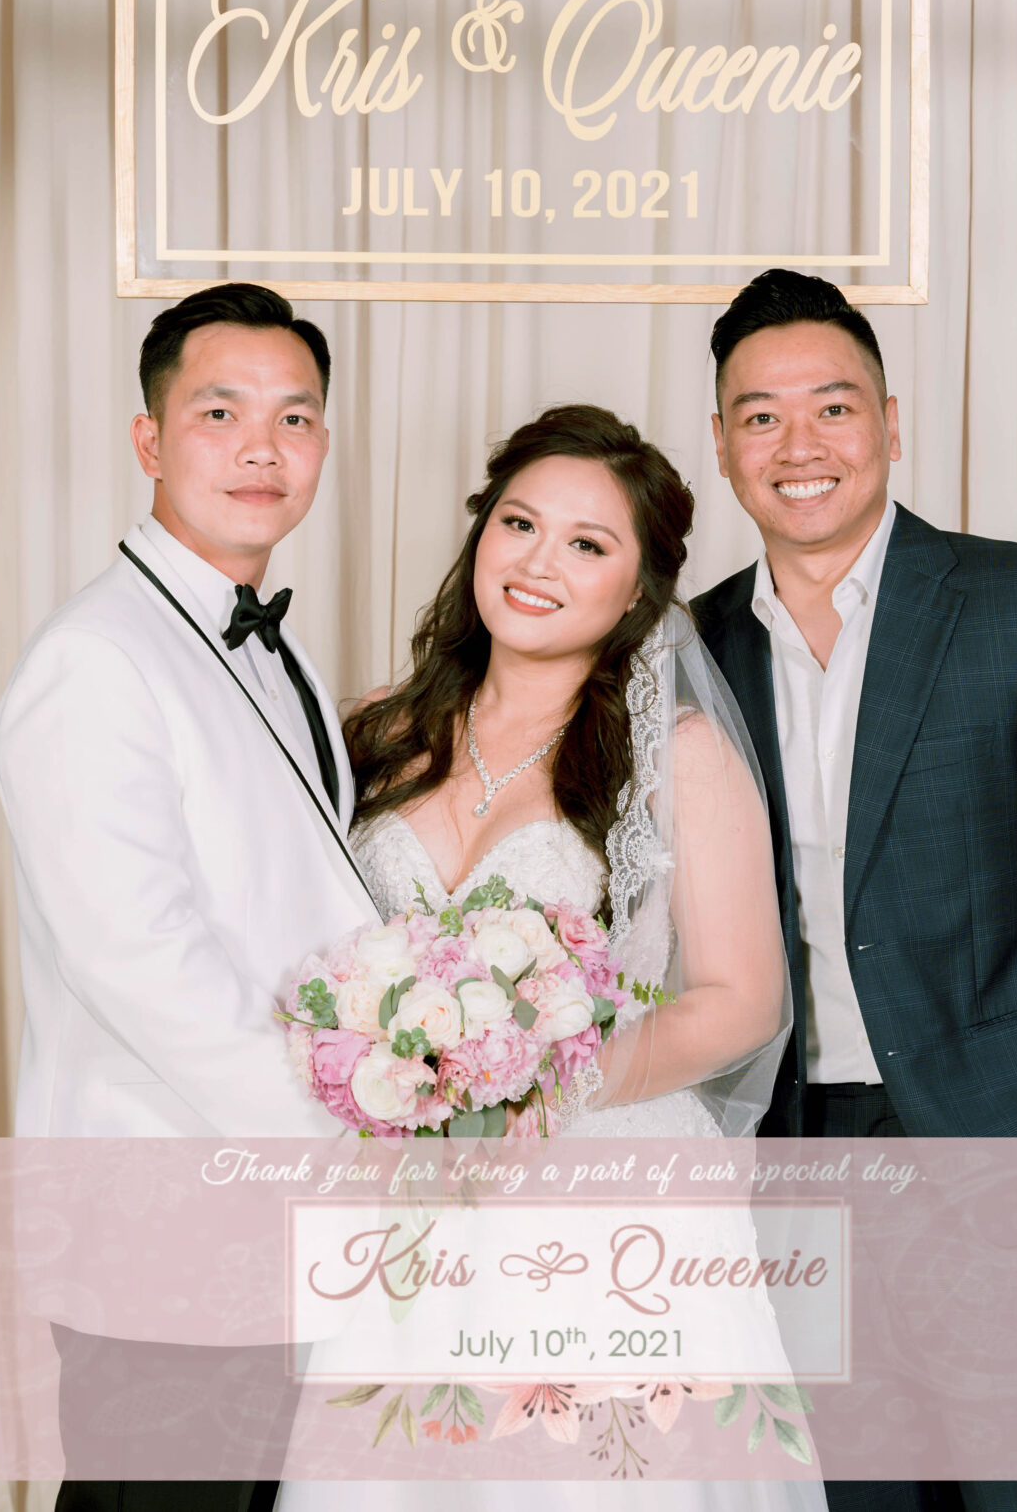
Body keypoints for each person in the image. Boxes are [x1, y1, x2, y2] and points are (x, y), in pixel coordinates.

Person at [689, 270, 1017, 1512]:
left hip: (1000, 1152)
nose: (799, 446)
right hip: (794, 1168)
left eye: (832, 408)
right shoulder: (694, 649)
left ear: (890, 425)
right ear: (723, 445)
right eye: (760, 417)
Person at [277, 404, 821, 1512]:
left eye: (587, 543)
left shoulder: (679, 757)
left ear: (638, 591)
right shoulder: (371, 731)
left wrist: (533, 1087)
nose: (538, 563)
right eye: (519, 524)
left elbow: (742, 999)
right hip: (405, 1206)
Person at [0, 282, 377, 1512]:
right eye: (221, 413)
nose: (262, 448)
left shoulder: (270, 644)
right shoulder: (94, 658)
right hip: (162, 1229)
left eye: (294, 418)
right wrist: (354, 1152)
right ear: (149, 440)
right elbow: (139, 960)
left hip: (278, 1233)